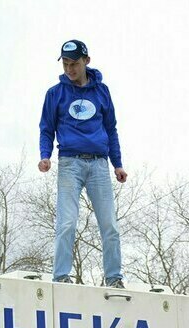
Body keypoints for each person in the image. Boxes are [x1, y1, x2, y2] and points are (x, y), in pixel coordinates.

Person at [38, 39, 128, 288]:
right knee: (66, 223)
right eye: (65, 64)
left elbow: (111, 129)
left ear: (86, 61)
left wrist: (117, 163)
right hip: (70, 163)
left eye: (74, 64)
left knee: (109, 224)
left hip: (99, 165)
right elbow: (46, 129)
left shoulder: (102, 91)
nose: (69, 70)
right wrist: (45, 155)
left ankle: (114, 278)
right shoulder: (55, 94)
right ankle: (61, 277)